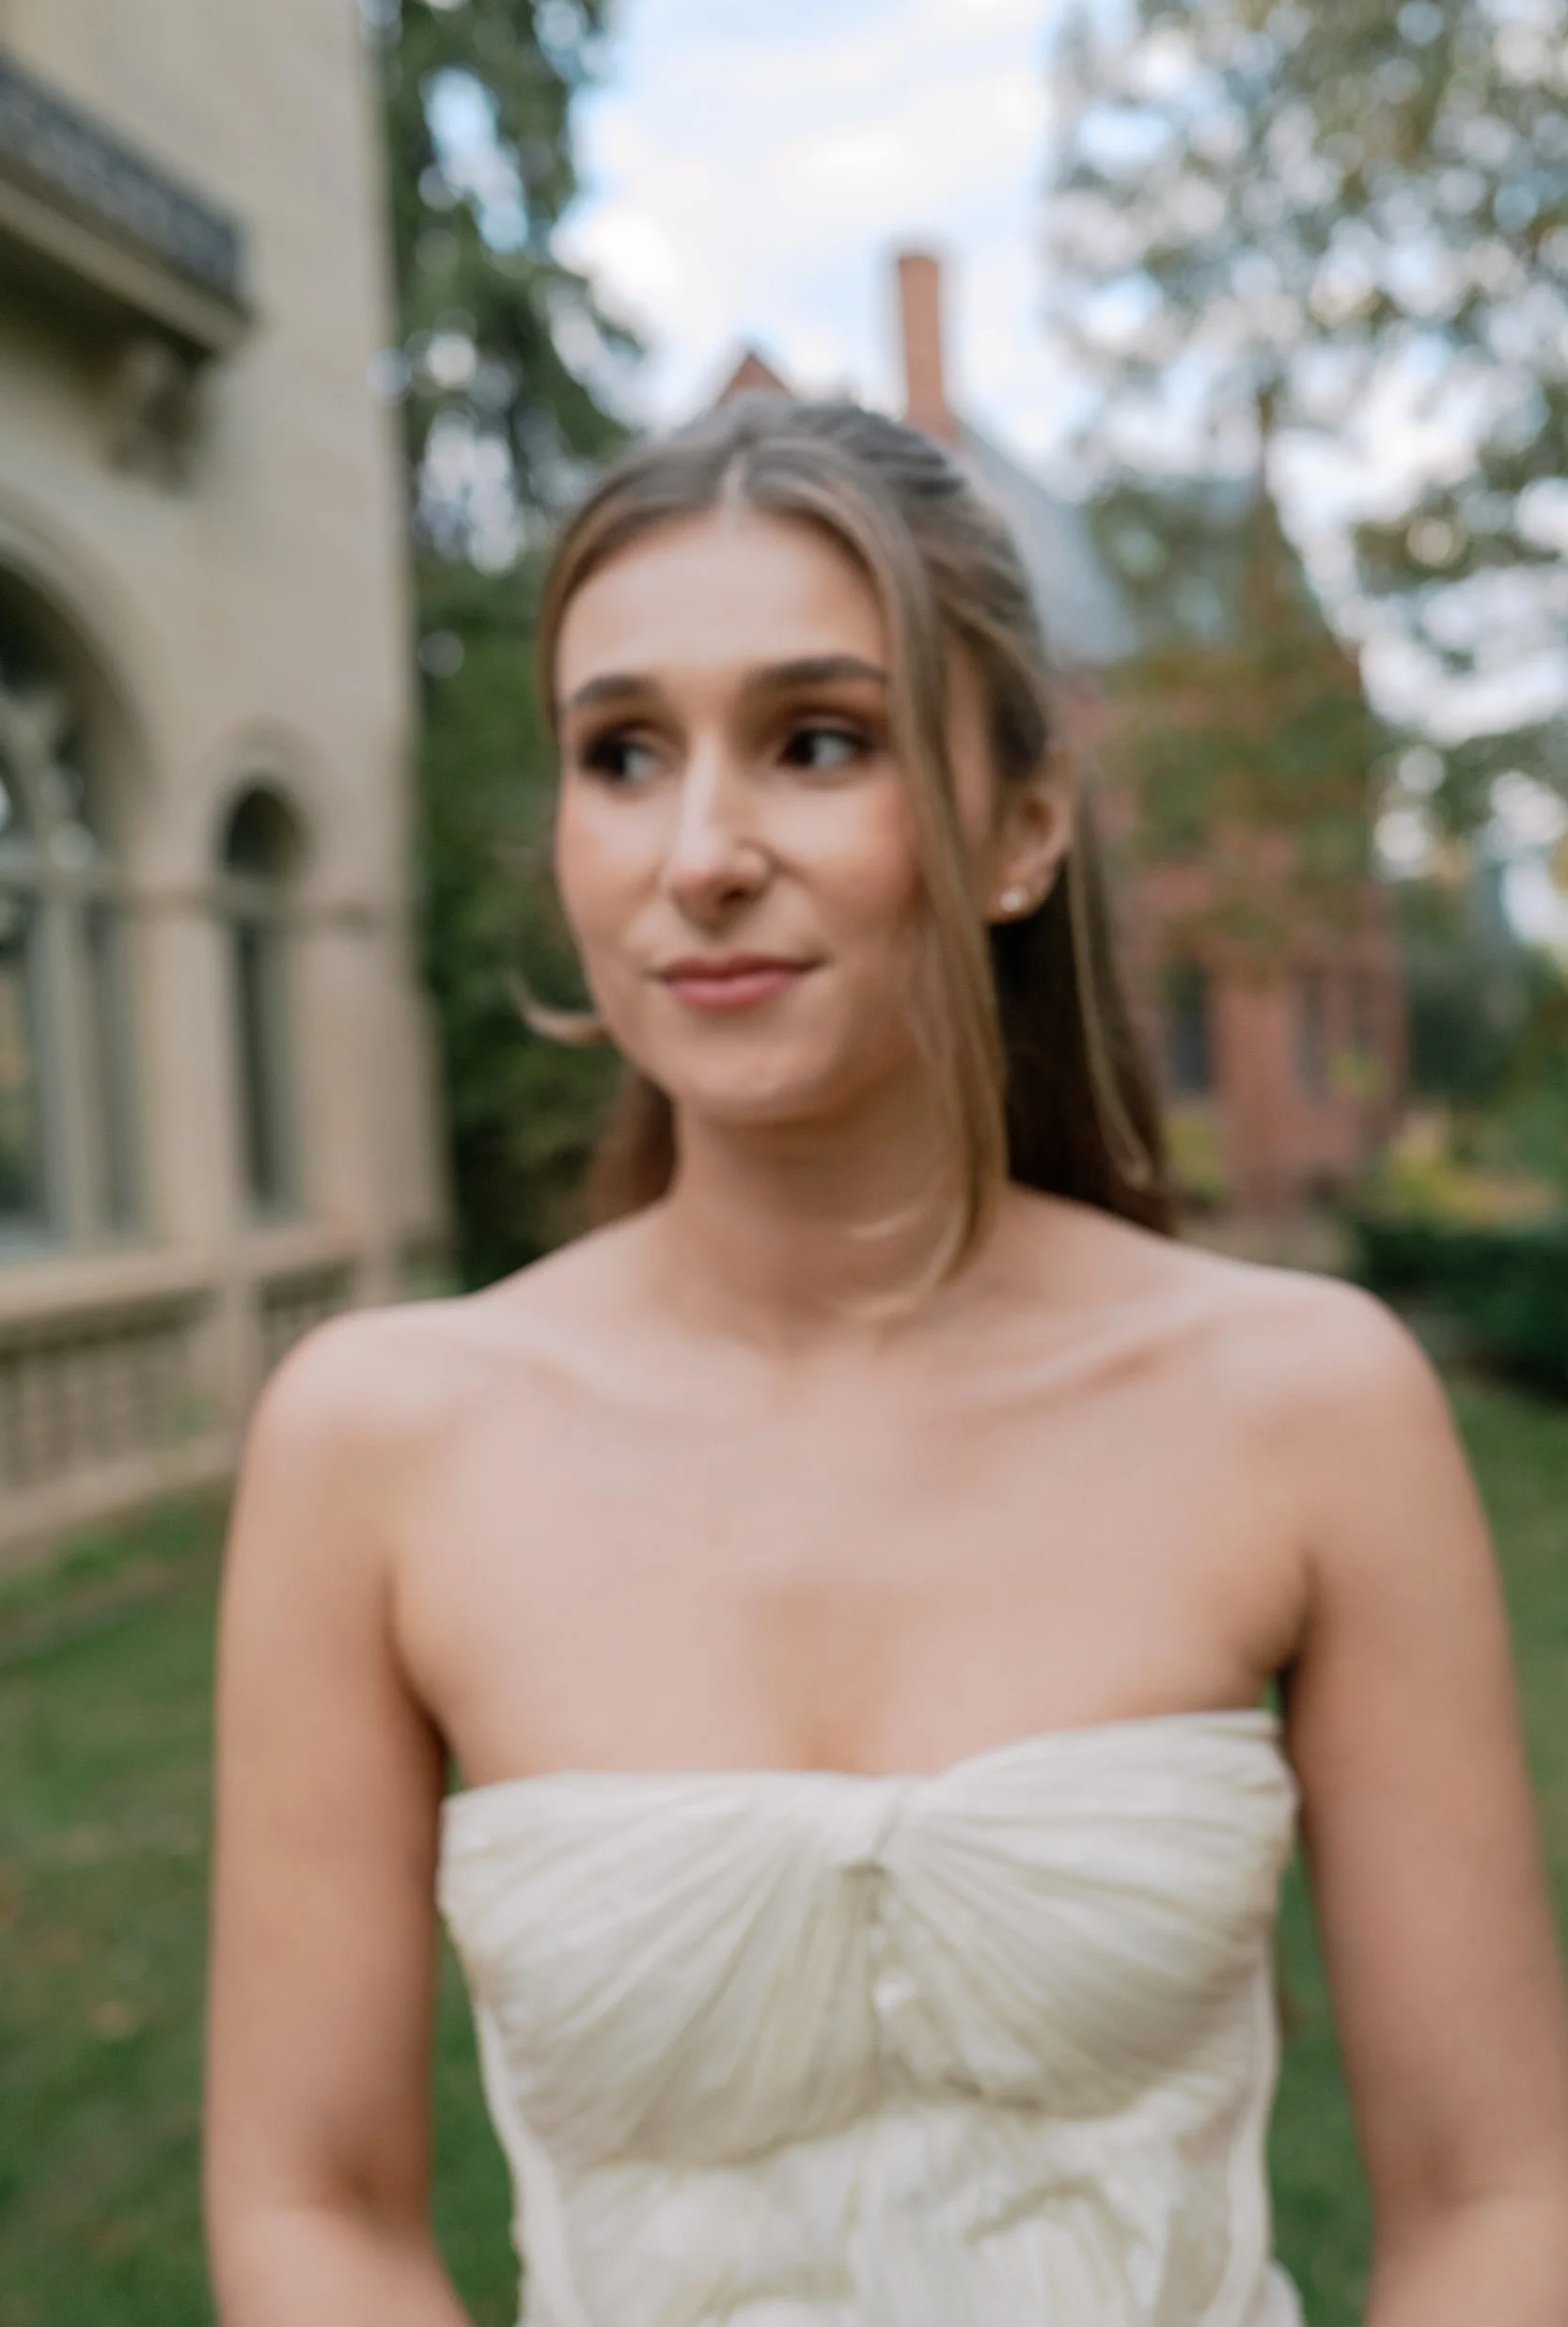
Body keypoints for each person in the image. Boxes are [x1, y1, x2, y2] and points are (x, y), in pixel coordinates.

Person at [204, 398, 1568, 2327]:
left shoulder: (1309, 1406)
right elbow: (312, 2204)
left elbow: (1498, 2189)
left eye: (817, 741)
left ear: (1023, 826)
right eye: (622, 754)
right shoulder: (381, 1444)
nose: (702, 853)